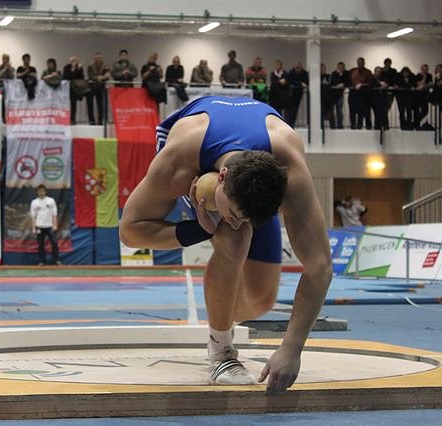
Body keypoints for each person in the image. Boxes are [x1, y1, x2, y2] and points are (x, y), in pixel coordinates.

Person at [120, 96, 332, 394]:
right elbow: (130, 232)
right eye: (234, 213)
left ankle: (221, 317)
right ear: (221, 177)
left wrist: (292, 348)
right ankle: (221, 353)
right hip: (200, 153)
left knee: (260, 301)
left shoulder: (291, 169)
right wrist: (198, 230)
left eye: (246, 218)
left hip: (249, 166)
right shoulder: (179, 163)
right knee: (235, 237)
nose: (235, 220)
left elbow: (320, 266)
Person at [30, 184, 60, 266]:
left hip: (50, 226)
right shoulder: (34, 202)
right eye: (39, 191)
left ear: (45, 192)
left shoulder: (51, 200)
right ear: (37, 192)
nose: (41, 193)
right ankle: (42, 261)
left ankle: (56, 260)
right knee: (40, 245)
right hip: (39, 226)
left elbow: (54, 214)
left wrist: (55, 225)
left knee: (54, 243)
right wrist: (33, 227)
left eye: (43, 191)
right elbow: (33, 216)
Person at [87, 52, 111, 125]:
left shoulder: (105, 66)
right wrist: (99, 78)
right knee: (90, 104)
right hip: (91, 87)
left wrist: (100, 78)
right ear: (94, 58)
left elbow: (108, 76)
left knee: (101, 104)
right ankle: (91, 121)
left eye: (99, 58)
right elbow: (91, 76)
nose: (98, 59)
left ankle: (100, 120)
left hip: (101, 87)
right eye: (96, 58)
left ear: (101, 58)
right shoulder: (90, 66)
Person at [285, 61, 308, 128]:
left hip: (299, 94)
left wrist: (298, 84)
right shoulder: (291, 72)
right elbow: (290, 81)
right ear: (294, 67)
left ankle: (292, 124)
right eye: (297, 67)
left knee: (295, 110)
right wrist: (300, 83)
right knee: (290, 110)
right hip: (291, 94)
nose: (298, 69)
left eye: (299, 67)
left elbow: (306, 82)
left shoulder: (304, 73)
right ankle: (288, 124)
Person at [329, 62, 349, 129]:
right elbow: (331, 83)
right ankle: (332, 125)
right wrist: (337, 85)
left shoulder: (346, 73)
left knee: (339, 109)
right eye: (338, 67)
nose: (340, 69)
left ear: (344, 68)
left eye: (341, 67)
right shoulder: (334, 73)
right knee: (331, 110)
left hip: (340, 94)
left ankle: (340, 125)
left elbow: (347, 82)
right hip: (332, 94)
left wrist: (341, 76)